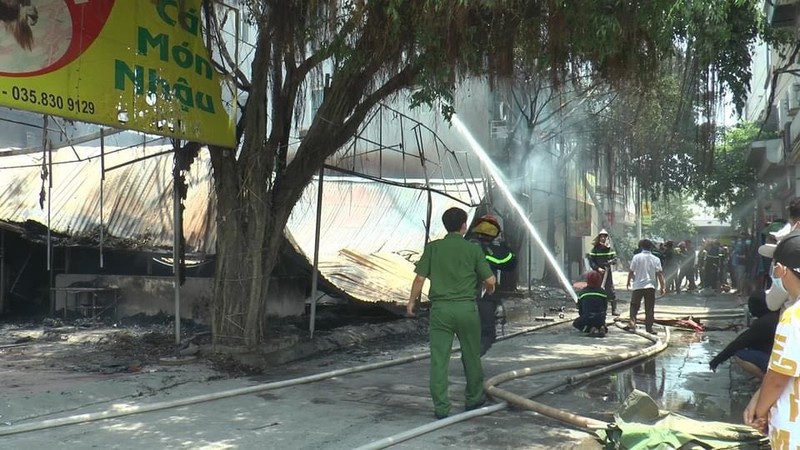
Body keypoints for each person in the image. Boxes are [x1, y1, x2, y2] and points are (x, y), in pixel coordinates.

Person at [406, 207, 496, 420]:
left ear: (445, 225)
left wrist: (411, 302)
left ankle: (441, 408)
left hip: (441, 310)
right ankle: (473, 399)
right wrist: (489, 290)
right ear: (464, 225)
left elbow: (419, 279)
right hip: (466, 309)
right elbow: (490, 281)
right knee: (471, 355)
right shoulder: (472, 250)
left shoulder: (433, 248)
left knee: (439, 358)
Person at [743, 230, 800, 446]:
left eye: (775, 265)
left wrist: (759, 411)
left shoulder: (793, 317)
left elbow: (778, 378)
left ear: (782, 270)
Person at [465, 214, 517, 356]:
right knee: (487, 333)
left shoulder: (466, 243)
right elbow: (508, 262)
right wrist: (505, 247)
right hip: (483, 296)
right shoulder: (490, 249)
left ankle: (470, 353)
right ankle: (472, 357)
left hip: (460, 296)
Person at [709, 290, 779, 380]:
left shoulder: (764, 323)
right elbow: (744, 337)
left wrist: (717, 360)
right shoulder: (776, 315)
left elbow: (739, 343)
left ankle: (768, 380)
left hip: (777, 361)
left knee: (740, 354)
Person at [626, 239, 666, 334]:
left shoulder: (636, 257)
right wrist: (663, 287)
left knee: (634, 306)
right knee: (649, 308)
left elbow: (631, 271)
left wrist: (628, 282)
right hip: (650, 286)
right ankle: (649, 328)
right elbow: (660, 274)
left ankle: (632, 322)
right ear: (651, 247)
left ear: (641, 247)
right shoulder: (656, 259)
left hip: (638, 286)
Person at [588, 229, 619, 316]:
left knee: (610, 290)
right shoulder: (595, 250)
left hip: (607, 273)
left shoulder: (610, 249)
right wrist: (598, 268)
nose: (603, 239)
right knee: (597, 290)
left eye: (605, 237)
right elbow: (591, 262)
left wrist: (611, 262)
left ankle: (614, 309)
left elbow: (615, 259)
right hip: (597, 274)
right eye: (601, 237)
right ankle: (597, 309)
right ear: (599, 238)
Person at [573, 270, 608, 337]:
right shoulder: (603, 292)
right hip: (600, 318)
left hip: (587, 318)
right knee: (599, 322)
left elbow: (579, 307)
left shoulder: (583, 292)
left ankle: (590, 329)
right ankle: (602, 327)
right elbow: (605, 307)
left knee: (576, 323)